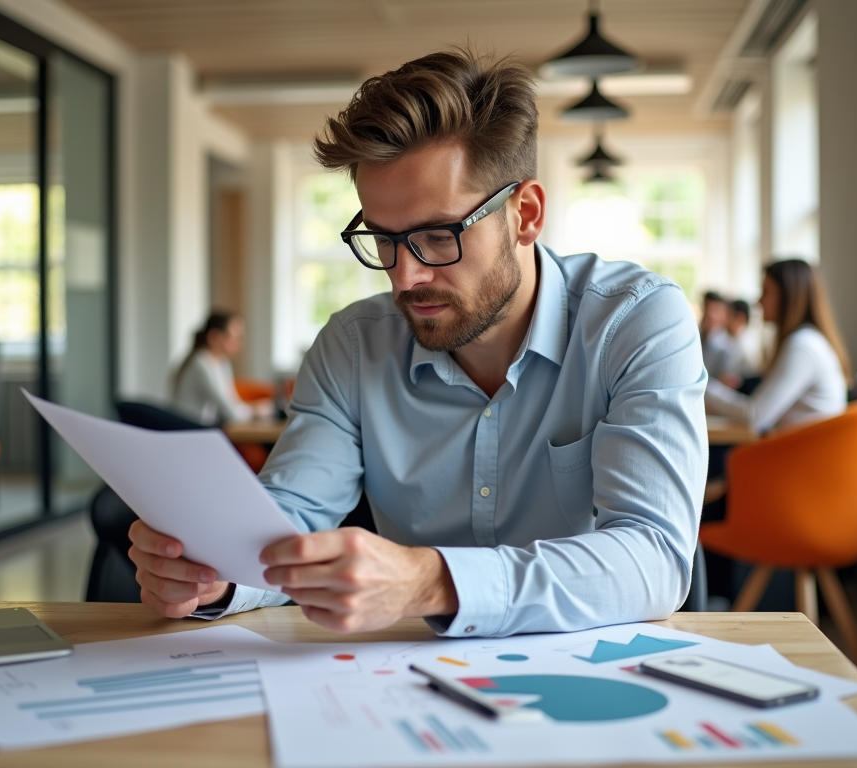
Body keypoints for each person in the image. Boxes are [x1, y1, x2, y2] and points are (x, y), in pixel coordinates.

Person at [129, 48, 708, 637]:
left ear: (525, 214)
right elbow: (290, 518)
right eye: (383, 239)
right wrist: (219, 572)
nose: (405, 277)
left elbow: (654, 556)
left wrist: (432, 582)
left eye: (437, 236)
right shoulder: (352, 347)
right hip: (405, 686)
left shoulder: (635, 322)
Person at [704, 259, 850, 435]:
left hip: (800, 456)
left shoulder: (802, 346)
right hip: (800, 449)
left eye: (766, 292)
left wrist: (707, 389)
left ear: (789, 296)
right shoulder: (808, 340)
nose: (758, 301)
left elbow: (755, 416)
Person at [171, 311, 272, 426]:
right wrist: (256, 410)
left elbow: (233, 404)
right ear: (214, 337)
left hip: (205, 428)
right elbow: (232, 413)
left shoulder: (222, 363)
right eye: (235, 337)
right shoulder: (200, 364)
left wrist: (252, 409)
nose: (240, 342)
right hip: (191, 431)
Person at [699, 291, 731, 379]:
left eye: (714, 310)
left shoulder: (725, 346)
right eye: (706, 309)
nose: (710, 314)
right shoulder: (696, 333)